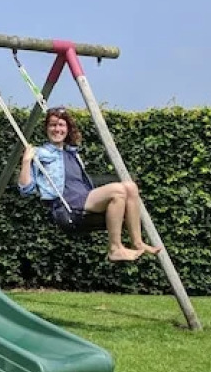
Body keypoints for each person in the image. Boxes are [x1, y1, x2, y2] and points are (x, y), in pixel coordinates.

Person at [17, 107, 162, 263]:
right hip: (68, 205)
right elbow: (26, 189)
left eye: (61, 125)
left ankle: (138, 243)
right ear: (46, 128)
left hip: (85, 197)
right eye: (52, 125)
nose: (57, 129)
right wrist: (26, 161)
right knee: (118, 191)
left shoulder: (72, 153)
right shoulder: (40, 154)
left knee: (131, 187)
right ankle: (115, 249)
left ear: (67, 129)